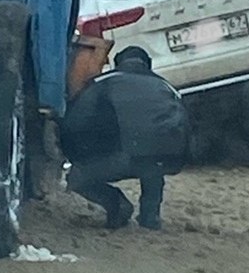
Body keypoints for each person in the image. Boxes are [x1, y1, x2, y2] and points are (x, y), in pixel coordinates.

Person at [59, 46, 188, 230]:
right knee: (153, 159)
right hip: (162, 159)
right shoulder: (166, 87)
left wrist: (80, 155)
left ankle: (116, 203)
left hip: (117, 157)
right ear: (148, 64)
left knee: (76, 179)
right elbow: (182, 126)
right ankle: (150, 216)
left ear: (117, 62)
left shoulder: (102, 82)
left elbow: (75, 121)